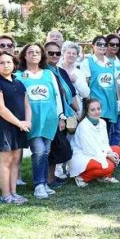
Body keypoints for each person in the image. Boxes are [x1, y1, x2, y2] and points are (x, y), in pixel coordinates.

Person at [17, 43, 66, 199]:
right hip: (32, 120)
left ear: (41, 55)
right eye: (30, 52)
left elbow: (57, 96)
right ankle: (38, 184)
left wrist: (61, 116)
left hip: (49, 119)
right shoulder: (19, 75)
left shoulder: (48, 74)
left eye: (37, 52)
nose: (34, 54)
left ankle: (44, 183)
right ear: (24, 55)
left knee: (46, 152)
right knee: (38, 151)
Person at [0, 51, 30, 204]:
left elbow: (27, 104)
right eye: (2, 62)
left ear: (14, 65)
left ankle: (14, 193)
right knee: (5, 161)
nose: (5, 65)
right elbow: (0, 108)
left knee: (15, 160)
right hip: (3, 127)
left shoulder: (19, 83)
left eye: (8, 62)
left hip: (20, 127)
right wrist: (20, 123)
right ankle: (5, 195)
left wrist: (28, 121)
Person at [44, 40, 79, 187]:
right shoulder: (44, 72)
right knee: (52, 146)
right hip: (53, 115)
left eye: (57, 53)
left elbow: (71, 92)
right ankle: (49, 178)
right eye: (50, 53)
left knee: (66, 141)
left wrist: (77, 111)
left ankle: (58, 173)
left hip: (68, 112)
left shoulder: (61, 71)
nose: (54, 55)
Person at [69, 98, 120, 186]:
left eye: (98, 109)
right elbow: (89, 150)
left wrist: (110, 153)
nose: (97, 112)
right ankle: (82, 177)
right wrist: (108, 155)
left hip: (98, 153)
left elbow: (105, 143)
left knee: (117, 150)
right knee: (109, 166)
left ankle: (104, 175)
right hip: (83, 156)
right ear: (87, 112)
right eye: (93, 110)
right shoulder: (84, 126)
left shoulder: (102, 122)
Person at [80, 36, 120, 142]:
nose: (102, 46)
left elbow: (115, 81)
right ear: (93, 46)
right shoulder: (87, 62)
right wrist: (88, 103)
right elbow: (86, 84)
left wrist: (118, 99)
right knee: (94, 136)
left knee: (106, 133)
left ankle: (104, 157)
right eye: (99, 44)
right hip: (95, 106)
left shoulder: (111, 62)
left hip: (109, 104)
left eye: (105, 44)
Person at [103, 34, 120, 146]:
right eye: (112, 44)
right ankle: (107, 156)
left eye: (117, 44)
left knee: (117, 129)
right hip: (109, 100)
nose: (115, 46)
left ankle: (115, 156)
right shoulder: (102, 61)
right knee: (108, 130)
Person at [59, 41, 86, 109]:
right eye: (68, 53)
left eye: (74, 53)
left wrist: (76, 81)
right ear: (63, 54)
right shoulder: (57, 69)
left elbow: (86, 94)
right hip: (60, 106)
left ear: (77, 56)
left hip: (76, 108)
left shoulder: (80, 73)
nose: (71, 55)